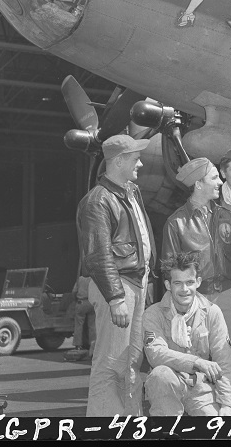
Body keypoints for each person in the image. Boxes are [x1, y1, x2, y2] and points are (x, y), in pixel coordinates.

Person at [162, 157, 231, 412]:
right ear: (199, 184)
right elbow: (169, 270)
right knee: (198, 359)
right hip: (196, 301)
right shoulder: (175, 223)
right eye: (214, 177)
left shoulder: (225, 216)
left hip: (228, 296)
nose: (220, 182)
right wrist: (177, 309)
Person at [76, 134, 154, 416]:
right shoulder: (97, 201)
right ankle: (101, 427)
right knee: (110, 363)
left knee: (130, 361)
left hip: (134, 283)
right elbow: (98, 255)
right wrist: (116, 297)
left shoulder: (130, 192)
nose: (141, 164)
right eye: (135, 158)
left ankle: (130, 422)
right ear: (118, 161)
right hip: (118, 288)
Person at [143, 251, 231, 416]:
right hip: (169, 384)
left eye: (189, 282)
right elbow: (156, 354)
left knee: (219, 429)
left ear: (198, 282)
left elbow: (225, 361)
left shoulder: (212, 312)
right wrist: (197, 362)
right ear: (167, 285)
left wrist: (226, 404)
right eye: (178, 283)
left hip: (201, 387)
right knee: (160, 374)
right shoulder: (153, 314)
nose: (184, 289)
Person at [65, 275, 96, 362]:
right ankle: (92, 345)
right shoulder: (93, 279)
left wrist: (76, 300)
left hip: (81, 303)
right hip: (91, 303)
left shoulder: (80, 279)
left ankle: (78, 345)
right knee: (92, 326)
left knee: (79, 325)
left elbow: (74, 292)